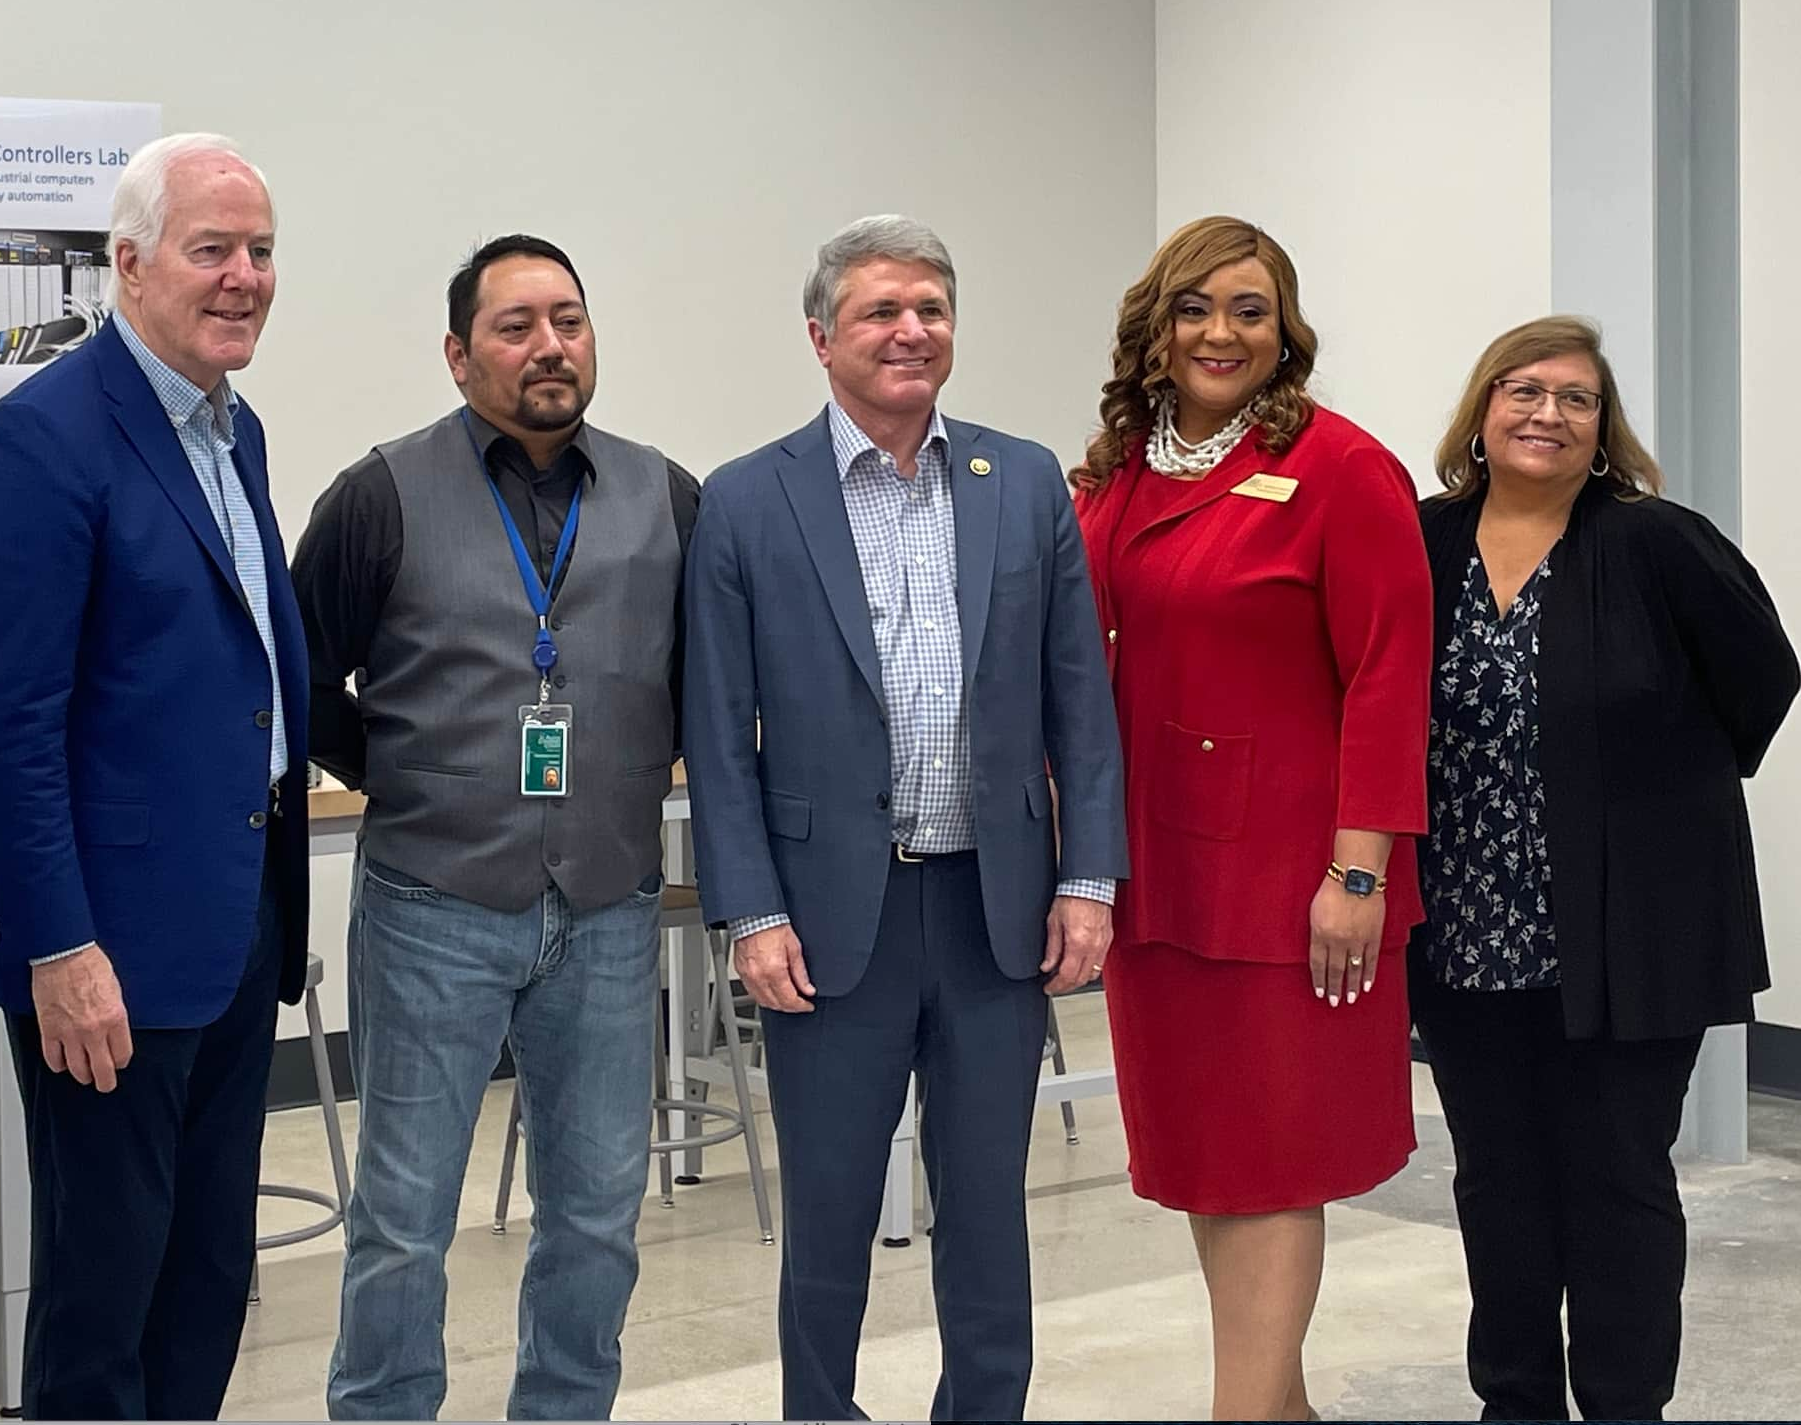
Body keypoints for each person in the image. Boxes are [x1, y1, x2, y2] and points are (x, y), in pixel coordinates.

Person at [683, 215, 1126, 1422]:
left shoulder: (1020, 477)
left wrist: (1088, 878)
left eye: (930, 307)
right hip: (829, 922)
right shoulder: (744, 499)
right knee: (825, 1210)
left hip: (993, 911)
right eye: (881, 310)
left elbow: (1079, 698)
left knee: (987, 1204)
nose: (909, 330)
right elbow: (717, 734)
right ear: (821, 335)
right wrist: (750, 908)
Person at [293, 234, 698, 1420]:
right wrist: (411, 776)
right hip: (433, 906)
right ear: (459, 352)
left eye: (567, 321)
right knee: (403, 1218)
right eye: (515, 326)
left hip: (609, 905)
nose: (548, 348)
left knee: (595, 1213)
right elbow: (308, 680)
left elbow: (702, 682)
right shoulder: (379, 494)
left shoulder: (666, 492)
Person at [0, 132, 310, 1420]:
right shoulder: (40, 442)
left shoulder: (235, 430)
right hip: (102, 956)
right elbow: (9, 727)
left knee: (206, 1276)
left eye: (260, 251)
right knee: (105, 1296)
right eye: (212, 250)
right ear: (129, 263)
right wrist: (57, 947)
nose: (244, 278)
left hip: (231, 929)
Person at [1070, 215, 1431, 1421]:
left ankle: (1244, 1413)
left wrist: (1359, 874)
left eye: (1248, 310)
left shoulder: (1338, 465)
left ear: (1284, 333)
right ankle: (1274, 1407)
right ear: (1153, 329)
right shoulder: (1120, 469)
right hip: (1153, 872)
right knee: (1211, 1159)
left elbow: (1388, 674)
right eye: (1194, 308)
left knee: (1275, 1158)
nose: (1218, 331)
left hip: (1291, 878)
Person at [1412, 316, 1797, 1422]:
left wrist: (1642, 790)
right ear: (1481, 413)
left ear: (1601, 425)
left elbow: (1761, 678)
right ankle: (1514, 1401)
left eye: (1573, 398)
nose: (1545, 413)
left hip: (1632, 930)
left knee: (1617, 1180)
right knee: (1493, 1180)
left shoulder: (1653, 540)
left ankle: (1625, 1407)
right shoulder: (1421, 540)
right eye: (1521, 391)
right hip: (1464, 930)